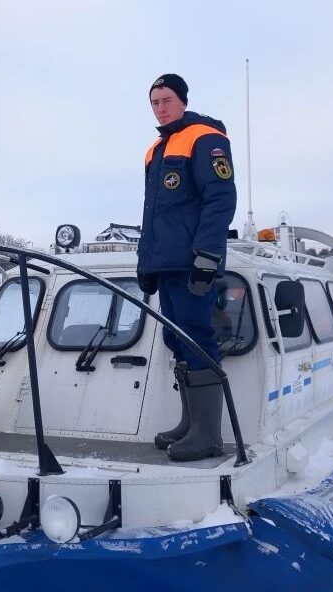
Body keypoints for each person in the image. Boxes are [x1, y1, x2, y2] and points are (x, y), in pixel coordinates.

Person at [137, 74, 238, 462]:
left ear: (182, 101)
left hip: (192, 261)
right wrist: (146, 262)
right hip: (166, 263)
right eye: (154, 102)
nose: (160, 107)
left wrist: (208, 256)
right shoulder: (155, 150)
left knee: (197, 336)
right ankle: (190, 424)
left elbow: (219, 197)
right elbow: (153, 214)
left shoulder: (205, 137)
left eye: (166, 100)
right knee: (175, 340)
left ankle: (208, 435)